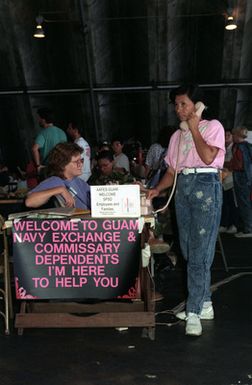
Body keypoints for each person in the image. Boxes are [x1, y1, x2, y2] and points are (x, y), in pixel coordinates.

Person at [147, 84, 225, 336]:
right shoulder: (175, 136)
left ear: (198, 105)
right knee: (189, 249)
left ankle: (193, 312)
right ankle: (204, 304)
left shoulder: (213, 127)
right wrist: (157, 190)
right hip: (183, 188)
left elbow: (208, 157)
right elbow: (171, 171)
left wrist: (193, 126)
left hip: (206, 184)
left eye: (184, 104)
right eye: (176, 105)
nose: (178, 109)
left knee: (201, 250)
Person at [26, 142, 90, 210]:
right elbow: (29, 202)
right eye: (76, 162)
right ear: (62, 165)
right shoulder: (55, 181)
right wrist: (60, 189)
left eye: (81, 160)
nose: (80, 164)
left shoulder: (81, 182)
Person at [227, 126, 252, 238]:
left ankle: (248, 229)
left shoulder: (240, 148)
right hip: (245, 177)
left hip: (242, 178)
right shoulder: (246, 146)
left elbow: (239, 164)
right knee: (244, 203)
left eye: (233, 135)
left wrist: (227, 164)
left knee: (244, 203)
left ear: (237, 135)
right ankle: (247, 227)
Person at [32, 107, 67, 175]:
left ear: (43, 120)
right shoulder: (62, 132)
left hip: (49, 168)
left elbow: (34, 149)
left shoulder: (43, 133)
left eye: (39, 118)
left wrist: (38, 165)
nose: (38, 120)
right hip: (62, 167)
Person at [219, 130, 239, 234]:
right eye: (224, 135)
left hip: (232, 181)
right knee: (224, 203)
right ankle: (224, 224)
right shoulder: (222, 148)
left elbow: (234, 164)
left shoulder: (235, 148)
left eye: (228, 135)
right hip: (223, 180)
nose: (226, 137)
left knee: (232, 204)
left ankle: (234, 224)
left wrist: (223, 164)